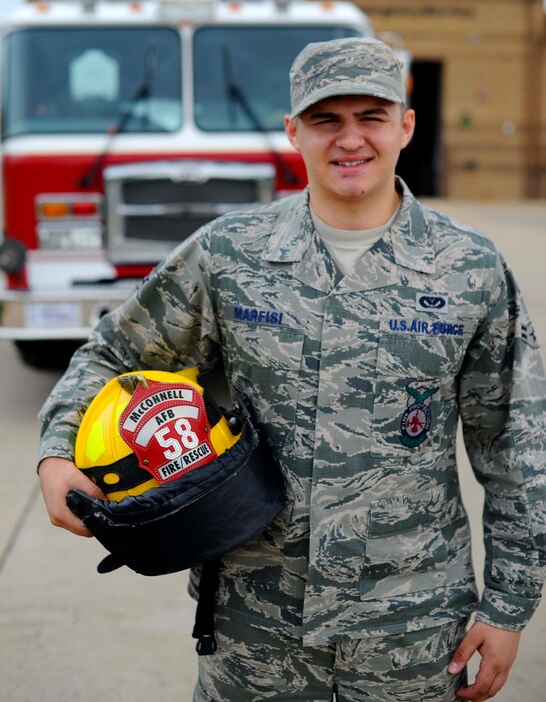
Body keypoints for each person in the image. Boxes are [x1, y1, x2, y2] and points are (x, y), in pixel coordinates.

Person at [38, 37, 546, 702]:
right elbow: (113, 353)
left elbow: (515, 444)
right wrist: (56, 454)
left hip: (411, 632)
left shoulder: (468, 268)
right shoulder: (230, 255)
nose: (350, 139)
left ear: (406, 125)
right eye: (326, 119)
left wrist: (508, 607)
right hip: (255, 631)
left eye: (371, 116)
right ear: (293, 131)